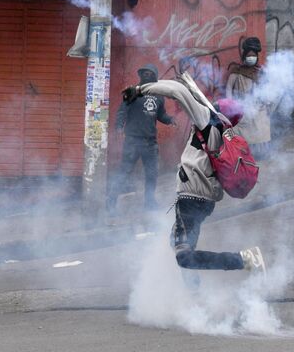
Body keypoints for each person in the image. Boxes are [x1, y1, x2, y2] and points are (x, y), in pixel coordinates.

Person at [122, 76, 265, 273]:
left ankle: (244, 260)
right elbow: (179, 88)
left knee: (184, 255)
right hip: (202, 199)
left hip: (193, 198)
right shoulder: (224, 132)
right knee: (179, 244)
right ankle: (194, 295)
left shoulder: (208, 120)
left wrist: (140, 90)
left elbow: (178, 91)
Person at [106, 64, 175, 215]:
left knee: (152, 174)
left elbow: (160, 115)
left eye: (150, 73)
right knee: (124, 172)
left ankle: (149, 202)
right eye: (145, 73)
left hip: (150, 143)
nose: (147, 75)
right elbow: (122, 111)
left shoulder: (159, 95)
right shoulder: (132, 92)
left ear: (155, 77)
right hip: (132, 141)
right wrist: (118, 126)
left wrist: (170, 119)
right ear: (140, 75)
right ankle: (111, 202)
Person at [225, 36, 271, 159]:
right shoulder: (236, 71)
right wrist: (230, 105)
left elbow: (267, 90)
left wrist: (266, 101)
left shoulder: (261, 72)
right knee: (241, 131)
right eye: (249, 54)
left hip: (258, 107)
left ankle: (260, 154)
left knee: (261, 126)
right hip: (242, 107)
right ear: (244, 55)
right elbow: (229, 88)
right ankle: (244, 154)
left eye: (253, 54)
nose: (251, 57)